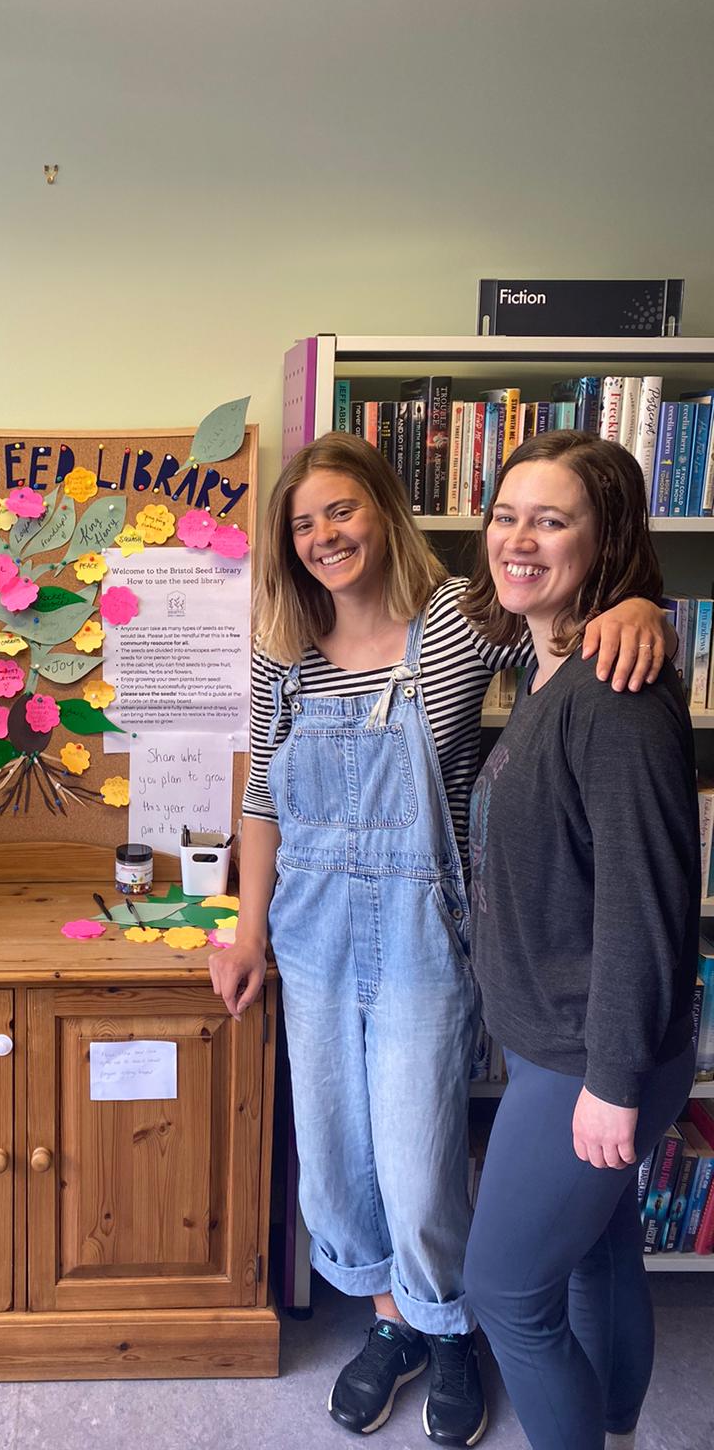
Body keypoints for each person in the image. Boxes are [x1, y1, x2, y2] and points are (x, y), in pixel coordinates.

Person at [208, 432, 671, 1446]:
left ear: (384, 510)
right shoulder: (282, 655)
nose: (325, 534)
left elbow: (571, 630)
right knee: (338, 1158)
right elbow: (259, 795)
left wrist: (647, 606)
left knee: (418, 1157)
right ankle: (393, 1325)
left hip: (426, 931)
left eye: (342, 510)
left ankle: (451, 1326)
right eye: (303, 522)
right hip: (312, 934)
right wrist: (245, 934)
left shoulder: (462, 627)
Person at [461, 431, 699, 1450]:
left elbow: (645, 903)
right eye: (507, 514)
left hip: (587, 1056)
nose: (519, 539)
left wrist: (610, 1077)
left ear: (605, 542)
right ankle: (612, 1431)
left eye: (551, 520)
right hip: (560, 1041)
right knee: (600, 1259)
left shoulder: (615, 693)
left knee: (506, 1292)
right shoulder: (560, 659)